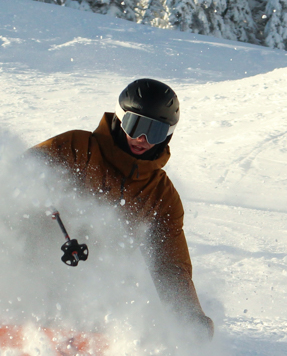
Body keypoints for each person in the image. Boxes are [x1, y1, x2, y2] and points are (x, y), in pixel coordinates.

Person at [32, 77, 214, 339]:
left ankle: (85, 330)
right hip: (30, 254)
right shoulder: (75, 148)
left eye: (155, 132)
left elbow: (171, 265)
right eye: (136, 124)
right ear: (120, 118)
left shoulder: (161, 196)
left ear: (168, 135)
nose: (142, 138)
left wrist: (189, 317)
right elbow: (15, 177)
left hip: (90, 286)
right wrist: (40, 193)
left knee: (114, 280)